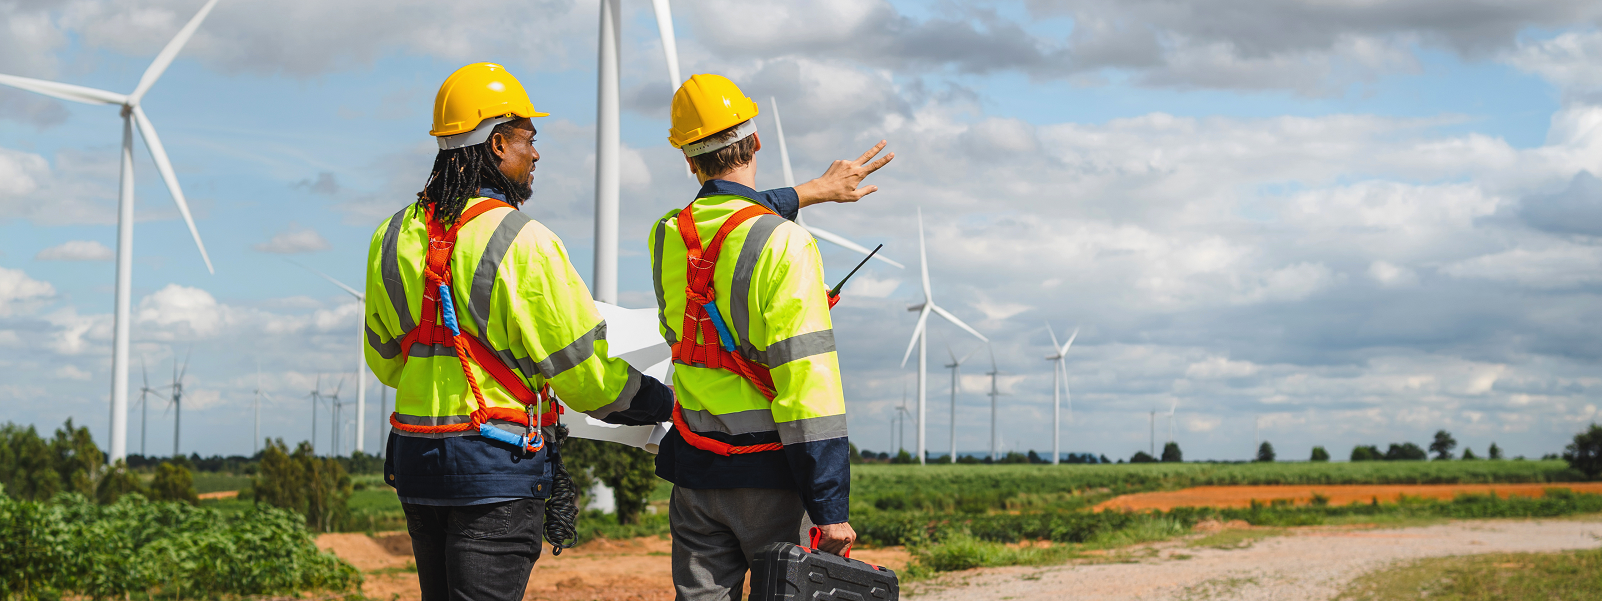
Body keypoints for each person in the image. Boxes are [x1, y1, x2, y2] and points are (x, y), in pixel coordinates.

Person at [362, 62, 675, 601]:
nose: (536, 153)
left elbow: (386, 363)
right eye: (530, 138)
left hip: (415, 466)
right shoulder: (522, 240)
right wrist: (659, 400)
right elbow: (587, 381)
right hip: (495, 469)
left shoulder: (390, 235)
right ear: (499, 142)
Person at [649, 73, 893, 599]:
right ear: (756, 142)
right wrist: (829, 507)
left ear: (688, 160)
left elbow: (727, 217)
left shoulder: (670, 234)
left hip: (694, 473)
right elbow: (809, 383)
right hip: (771, 480)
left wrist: (810, 192)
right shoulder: (787, 244)